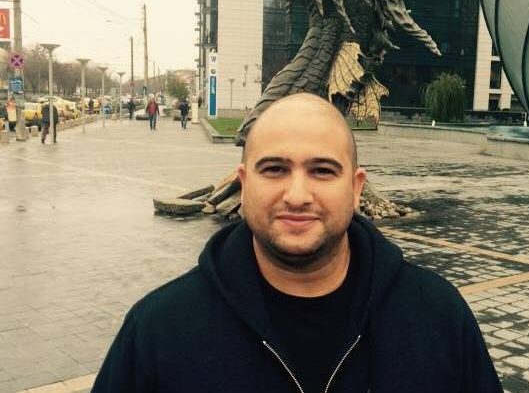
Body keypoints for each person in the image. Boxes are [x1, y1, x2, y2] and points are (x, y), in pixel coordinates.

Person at [92, 93, 502, 392]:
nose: (297, 195)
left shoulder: (438, 316)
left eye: (322, 171)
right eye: (274, 169)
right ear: (243, 183)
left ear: (356, 188)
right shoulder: (159, 330)